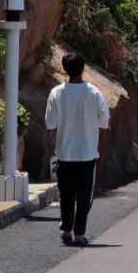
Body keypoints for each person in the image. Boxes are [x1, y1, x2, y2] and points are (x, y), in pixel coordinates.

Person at [45, 52, 110, 247]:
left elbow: (50, 123)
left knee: (66, 193)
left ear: (64, 69)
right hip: (87, 152)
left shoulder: (56, 93)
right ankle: (80, 234)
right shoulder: (94, 92)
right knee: (84, 195)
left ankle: (67, 230)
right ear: (83, 69)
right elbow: (104, 121)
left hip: (64, 151)